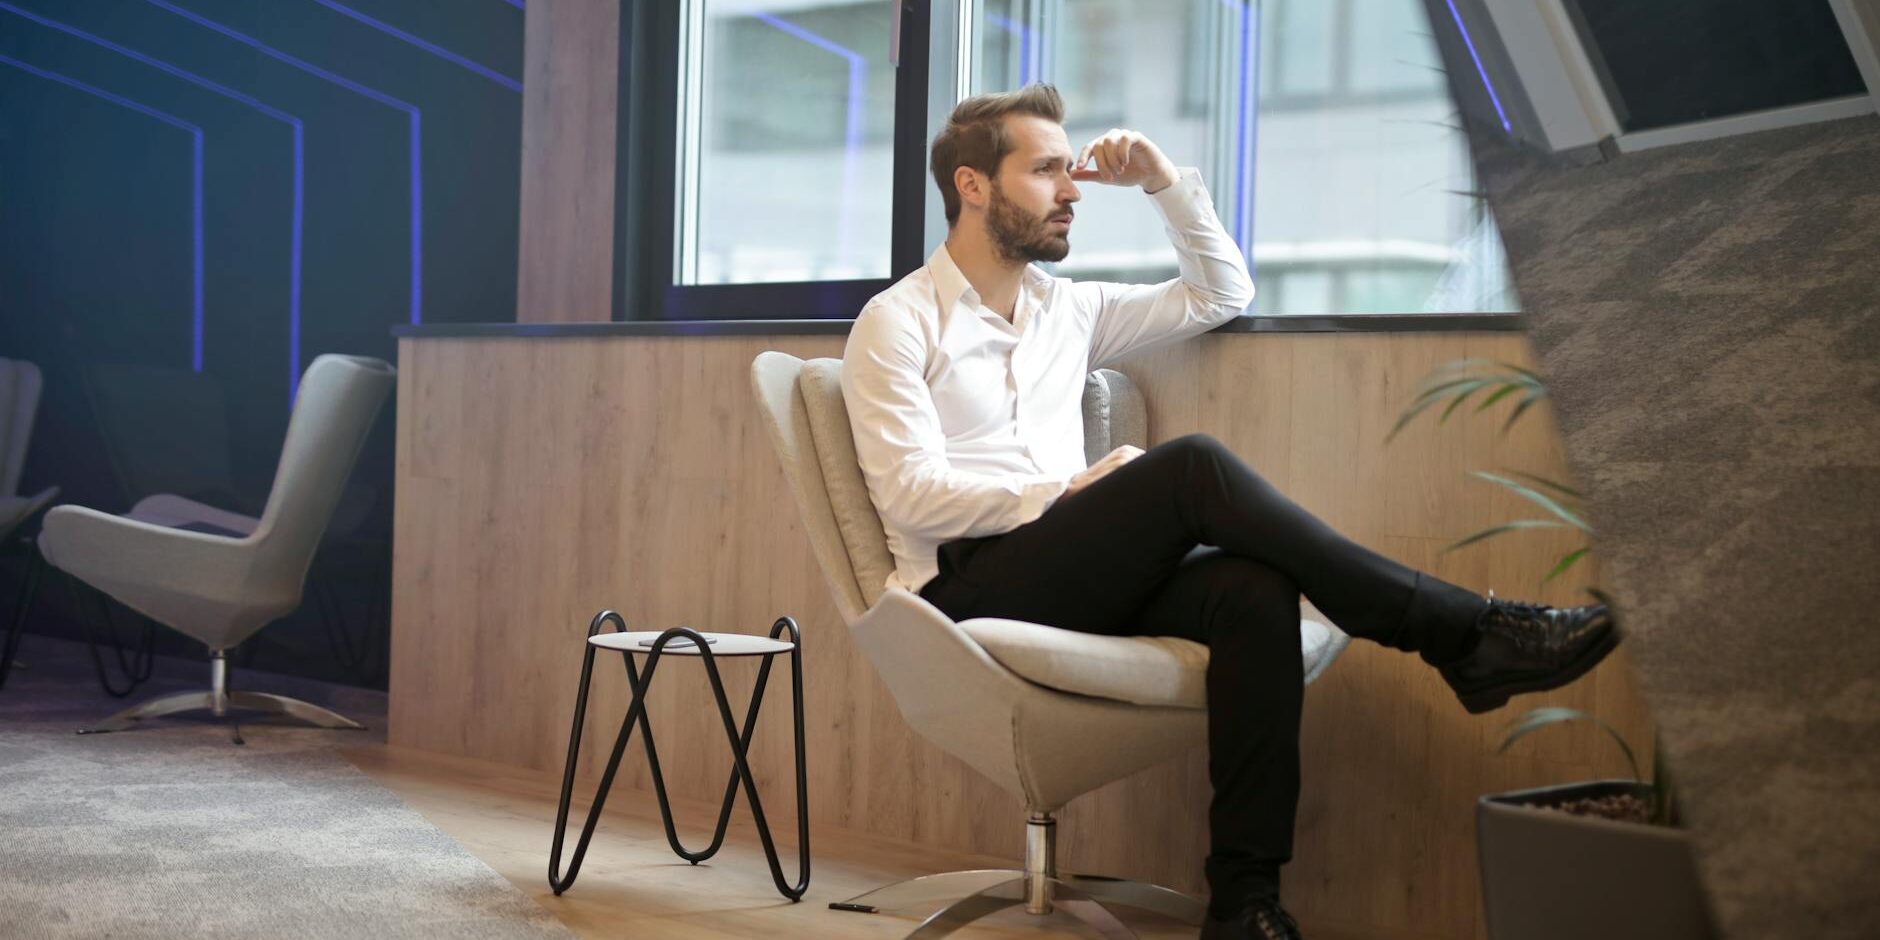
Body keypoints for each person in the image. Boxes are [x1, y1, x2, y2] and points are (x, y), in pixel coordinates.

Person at [839, 84, 1618, 940]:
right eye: (1047, 171)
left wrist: (1165, 183)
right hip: (965, 587)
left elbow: (1222, 293)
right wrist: (1065, 493)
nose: (1071, 191)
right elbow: (912, 496)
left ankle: (1244, 904)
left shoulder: (1071, 310)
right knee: (1192, 469)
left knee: (1251, 590)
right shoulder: (898, 321)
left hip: (1068, 574)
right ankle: (1465, 632)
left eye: (1072, 170)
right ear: (973, 186)